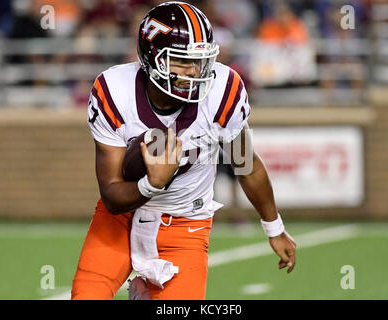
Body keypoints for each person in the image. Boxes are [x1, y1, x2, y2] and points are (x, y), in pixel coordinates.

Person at [71, 1, 296, 300]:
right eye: (182, 61)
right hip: (120, 220)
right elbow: (112, 195)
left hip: (185, 225)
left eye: (201, 61)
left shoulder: (222, 91)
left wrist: (274, 227)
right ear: (152, 59)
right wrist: (152, 183)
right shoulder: (114, 90)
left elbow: (246, 165)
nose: (195, 71)